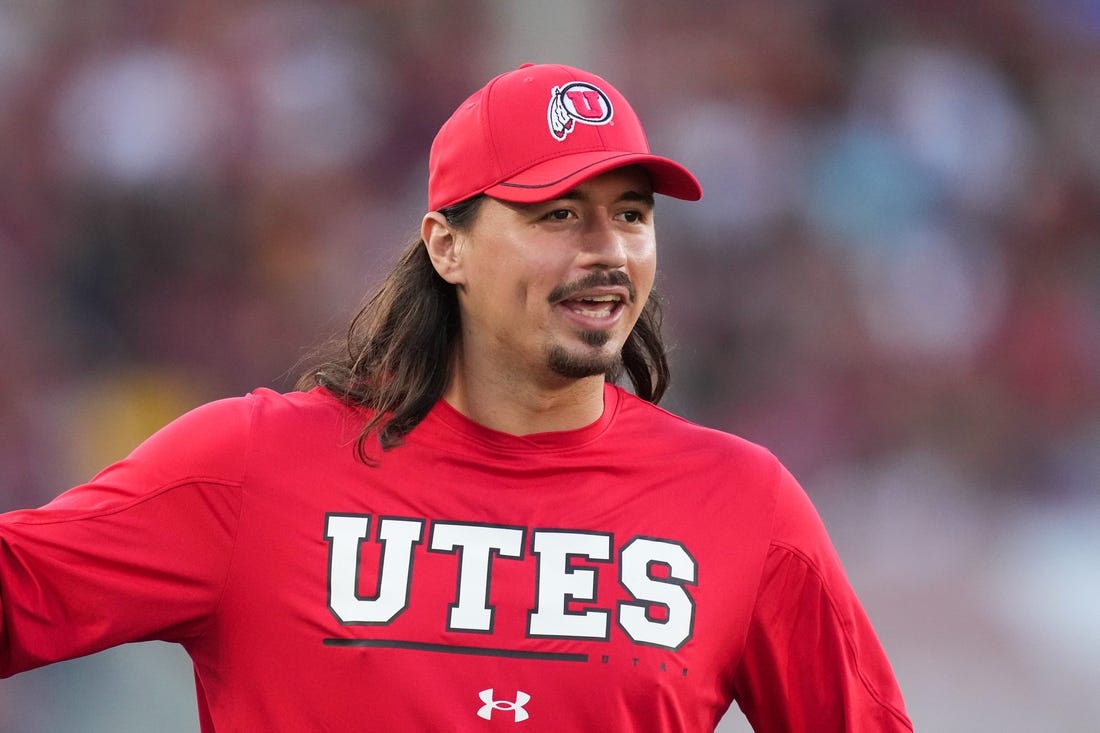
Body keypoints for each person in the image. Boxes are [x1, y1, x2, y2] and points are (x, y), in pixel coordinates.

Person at [0, 63, 912, 732]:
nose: (607, 249)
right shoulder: (252, 468)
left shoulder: (744, 505)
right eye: (558, 214)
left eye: (631, 213)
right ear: (448, 246)